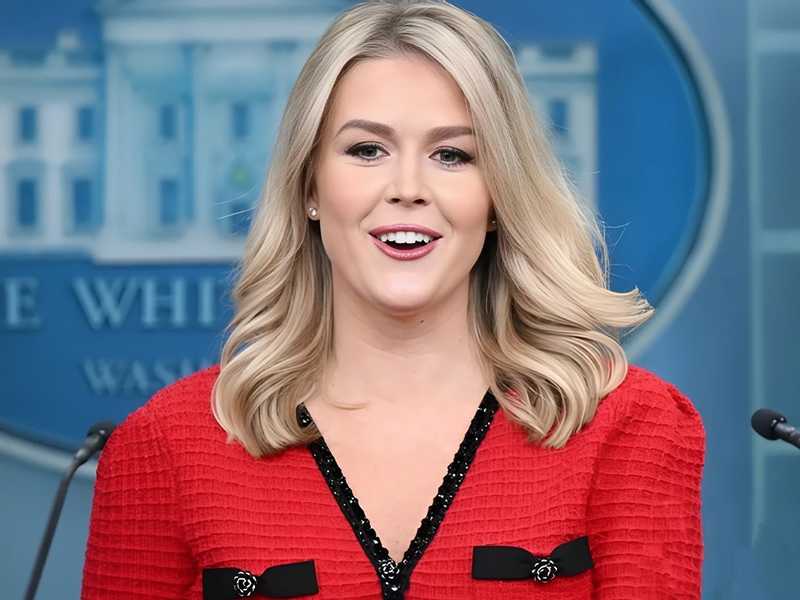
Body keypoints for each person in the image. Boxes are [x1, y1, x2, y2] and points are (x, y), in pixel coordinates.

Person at [80, 1, 706, 599]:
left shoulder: (629, 425)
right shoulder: (166, 443)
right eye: (367, 150)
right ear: (310, 188)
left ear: (498, 198)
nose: (408, 188)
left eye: (452, 155)